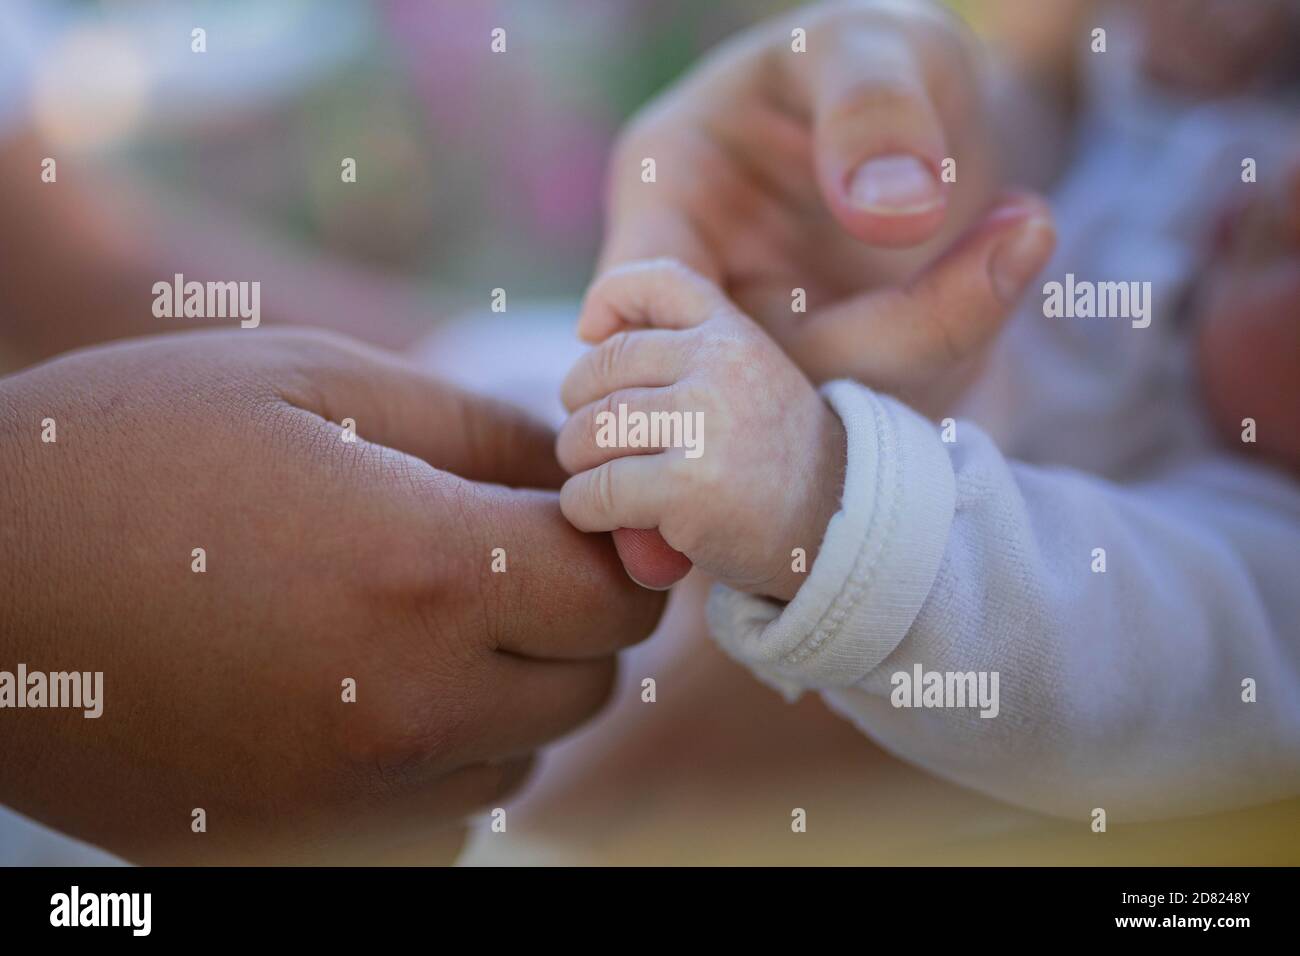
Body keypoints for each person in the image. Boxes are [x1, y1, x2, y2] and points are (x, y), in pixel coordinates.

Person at [551, 0, 1300, 821]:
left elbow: (1117, 650)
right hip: (634, 414)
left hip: (680, 647)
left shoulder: (1266, 574)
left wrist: (816, 490)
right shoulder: (1220, 141)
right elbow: (1090, 88)